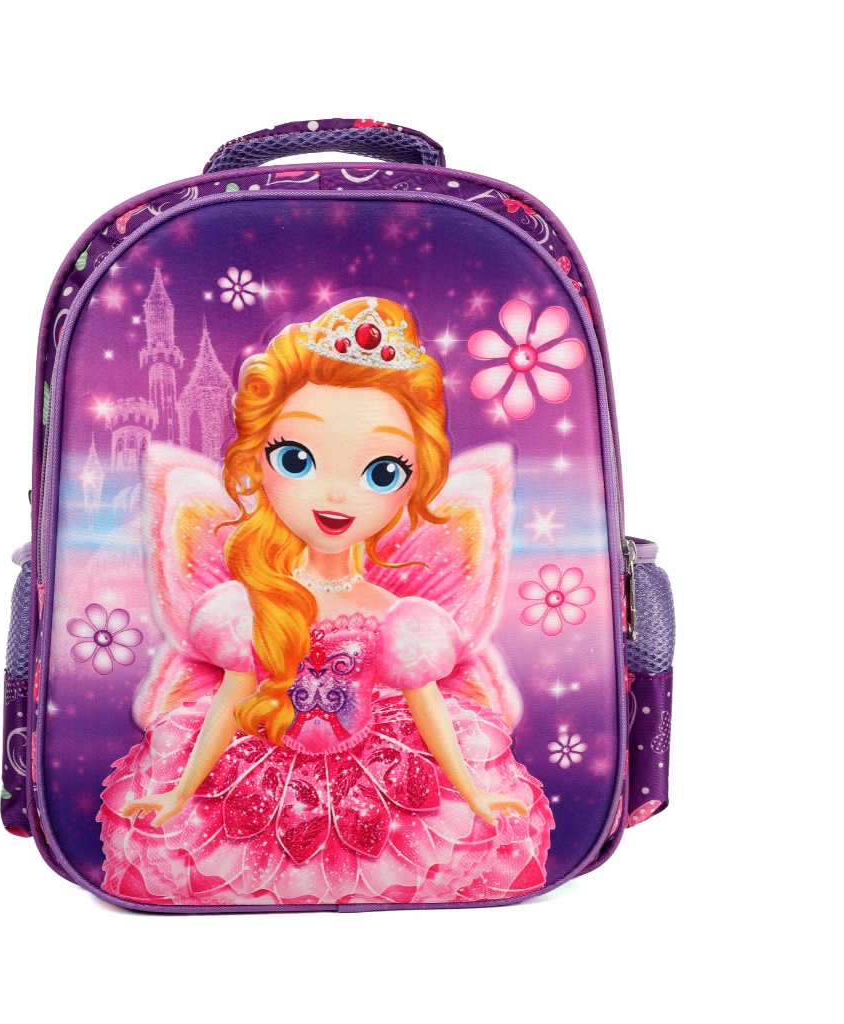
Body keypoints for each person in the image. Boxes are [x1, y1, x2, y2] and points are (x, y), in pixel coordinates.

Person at [98, 297, 554, 905]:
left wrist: (473, 793)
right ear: (257, 464)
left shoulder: (396, 616)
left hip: (380, 769)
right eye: (297, 459)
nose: (336, 494)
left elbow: (428, 710)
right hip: (260, 768)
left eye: (383, 471)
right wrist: (180, 792)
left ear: (416, 481)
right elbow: (230, 702)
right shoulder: (257, 602)